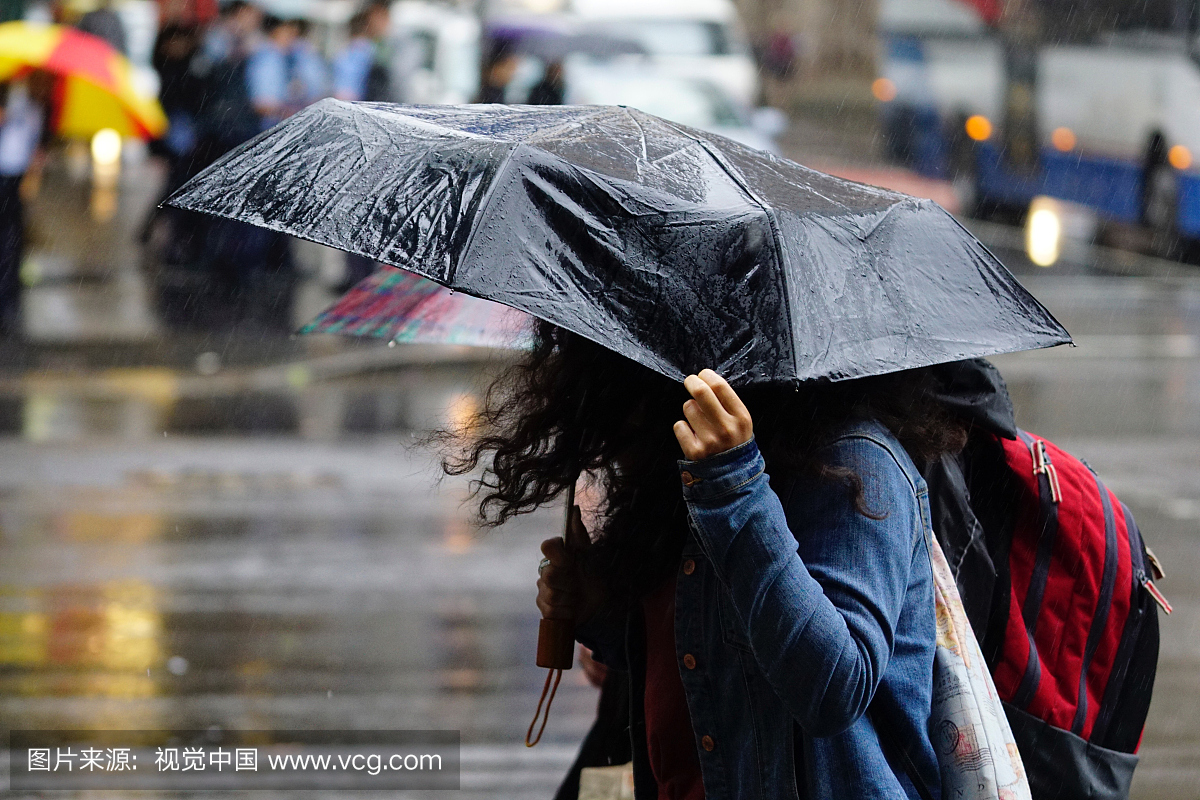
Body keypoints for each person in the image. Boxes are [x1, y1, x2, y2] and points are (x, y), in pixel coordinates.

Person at [444, 324, 967, 798]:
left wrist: (735, 487)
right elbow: (706, 665)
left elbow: (831, 689)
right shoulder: (679, 465)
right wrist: (597, 612)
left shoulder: (857, 467)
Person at [0, 74, 48, 334]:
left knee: (11, 239)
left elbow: (37, 145)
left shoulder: (36, 109)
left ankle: (8, 297)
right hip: (5, 177)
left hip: (14, 180)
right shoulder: (11, 99)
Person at [332, 2, 392, 102]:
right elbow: (345, 93)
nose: (388, 23)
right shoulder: (359, 51)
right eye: (384, 18)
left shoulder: (373, 48)